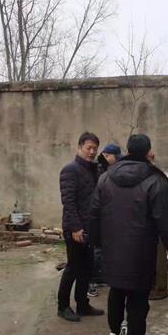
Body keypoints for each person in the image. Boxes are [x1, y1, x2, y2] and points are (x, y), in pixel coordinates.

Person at [89, 134, 168, 335]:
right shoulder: (156, 181)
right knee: (138, 298)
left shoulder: (106, 178)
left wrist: (97, 243)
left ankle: (114, 333)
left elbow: (94, 213)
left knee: (116, 290)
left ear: (127, 150)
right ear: (148, 152)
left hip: (112, 250)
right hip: (141, 253)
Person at [57, 132, 104, 322]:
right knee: (73, 268)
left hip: (90, 228)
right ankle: (63, 306)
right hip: (75, 229)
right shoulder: (70, 170)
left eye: (95, 149)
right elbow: (68, 202)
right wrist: (76, 228)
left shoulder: (95, 170)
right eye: (88, 148)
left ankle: (82, 304)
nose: (92, 152)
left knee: (87, 268)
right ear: (79, 147)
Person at [89, 142, 123, 298]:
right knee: (96, 249)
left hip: (107, 215)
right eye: (116, 157)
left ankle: (100, 276)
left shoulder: (110, 169)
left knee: (103, 249)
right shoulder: (98, 170)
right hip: (99, 214)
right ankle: (92, 280)